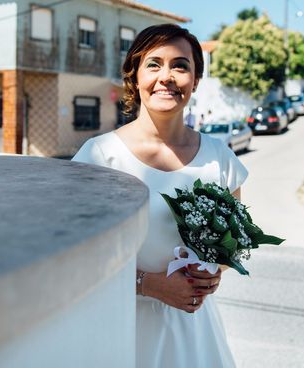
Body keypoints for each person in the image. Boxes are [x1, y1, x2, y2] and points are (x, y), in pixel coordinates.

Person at [73, 24, 248, 367]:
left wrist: (214, 272)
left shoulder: (220, 158)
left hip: (195, 334)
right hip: (124, 330)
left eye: (180, 66)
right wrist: (148, 285)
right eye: (153, 64)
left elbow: (233, 246)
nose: (166, 76)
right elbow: (76, 259)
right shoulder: (100, 157)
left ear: (196, 80)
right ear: (135, 77)